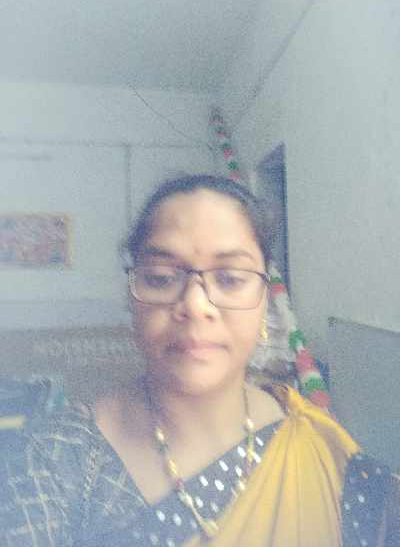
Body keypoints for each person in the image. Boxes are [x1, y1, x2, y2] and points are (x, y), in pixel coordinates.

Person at [0, 174, 396, 547]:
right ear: (131, 298)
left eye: (230, 278)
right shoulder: (53, 459)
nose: (195, 304)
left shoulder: (327, 457)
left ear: (264, 301)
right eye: (161, 277)